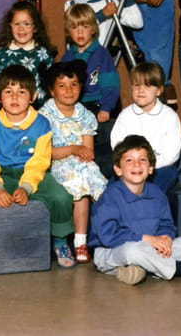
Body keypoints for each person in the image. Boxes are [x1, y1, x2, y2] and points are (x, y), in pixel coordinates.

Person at [0, 65, 76, 271]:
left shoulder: (42, 125)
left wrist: (26, 187)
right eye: (8, 91)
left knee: (61, 198)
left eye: (22, 91)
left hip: (33, 175)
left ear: (33, 96)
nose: (15, 97)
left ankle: (61, 244)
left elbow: (39, 162)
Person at [88, 135, 181, 285]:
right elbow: (108, 236)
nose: (137, 164)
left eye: (142, 160)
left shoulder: (156, 193)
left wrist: (167, 239)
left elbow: (166, 224)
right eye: (129, 160)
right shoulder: (109, 197)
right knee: (132, 251)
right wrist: (147, 239)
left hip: (149, 248)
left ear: (151, 168)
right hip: (113, 251)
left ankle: (143, 268)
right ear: (118, 169)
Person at [39, 61, 108, 264]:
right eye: (62, 86)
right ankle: (80, 242)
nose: (69, 90)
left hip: (82, 165)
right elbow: (45, 153)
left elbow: (88, 151)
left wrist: (79, 153)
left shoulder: (84, 115)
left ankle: (103, 236)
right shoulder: (45, 116)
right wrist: (71, 149)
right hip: (55, 165)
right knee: (81, 187)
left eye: (74, 84)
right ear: (52, 90)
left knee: (98, 187)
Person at [60, 4, 120, 177]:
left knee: (101, 145)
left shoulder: (101, 54)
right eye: (74, 27)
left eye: (85, 27)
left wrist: (106, 107)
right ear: (68, 31)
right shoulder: (68, 57)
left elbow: (111, 84)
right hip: (74, 106)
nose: (80, 32)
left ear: (93, 29)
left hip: (96, 105)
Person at [111, 62, 181, 194]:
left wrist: (146, 166)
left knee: (163, 180)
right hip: (130, 167)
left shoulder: (169, 117)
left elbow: (172, 153)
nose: (140, 90)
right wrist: (132, 164)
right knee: (112, 191)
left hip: (159, 167)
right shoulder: (125, 115)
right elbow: (117, 144)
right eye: (136, 85)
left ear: (159, 90)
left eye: (147, 86)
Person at [0, 1, 55, 107]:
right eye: (16, 24)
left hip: (36, 107)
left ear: (35, 27)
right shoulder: (2, 53)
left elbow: (51, 81)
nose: (21, 28)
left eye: (26, 24)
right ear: (10, 26)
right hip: (9, 106)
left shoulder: (43, 54)